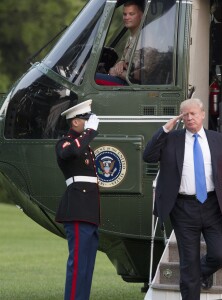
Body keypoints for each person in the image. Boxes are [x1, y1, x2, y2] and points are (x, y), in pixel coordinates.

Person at [143, 98, 222, 300]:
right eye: (185, 114)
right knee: (188, 262)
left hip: (212, 205)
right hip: (183, 208)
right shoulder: (172, 139)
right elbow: (148, 156)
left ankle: (198, 275)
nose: (190, 118)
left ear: (203, 114)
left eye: (193, 113)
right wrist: (165, 129)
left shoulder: (217, 139)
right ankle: (191, 282)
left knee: (218, 255)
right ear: (181, 117)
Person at [55, 99, 100, 300]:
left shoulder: (84, 146)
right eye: (86, 118)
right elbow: (70, 152)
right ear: (75, 122)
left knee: (87, 266)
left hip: (89, 211)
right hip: (77, 209)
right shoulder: (65, 142)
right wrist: (89, 133)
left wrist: (87, 134)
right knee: (78, 265)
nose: (89, 122)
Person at [95, 1, 144, 85]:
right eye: (125, 14)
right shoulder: (131, 37)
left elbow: (140, 75)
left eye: (131, 14)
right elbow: (125, 62)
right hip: (125, 80)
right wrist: (121, 62)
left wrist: (116, 72)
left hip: (131, 86)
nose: (126, 17)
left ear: (142, 16)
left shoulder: (144, 38)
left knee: (91, 79)